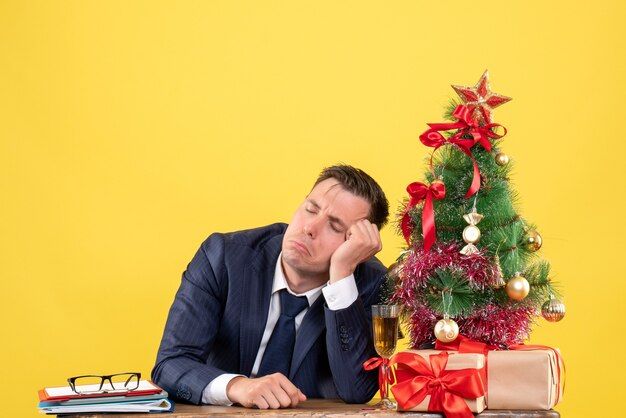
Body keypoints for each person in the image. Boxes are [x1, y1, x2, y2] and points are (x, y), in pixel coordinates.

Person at [152, 165, 390, 409]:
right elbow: (169, 365)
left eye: (335, 226)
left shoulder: (369, 284)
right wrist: (237, 386)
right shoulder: (223, 257)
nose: (309, 228)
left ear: (356, 247)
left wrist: (341, 275)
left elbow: (357, 390)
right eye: (310, 209)